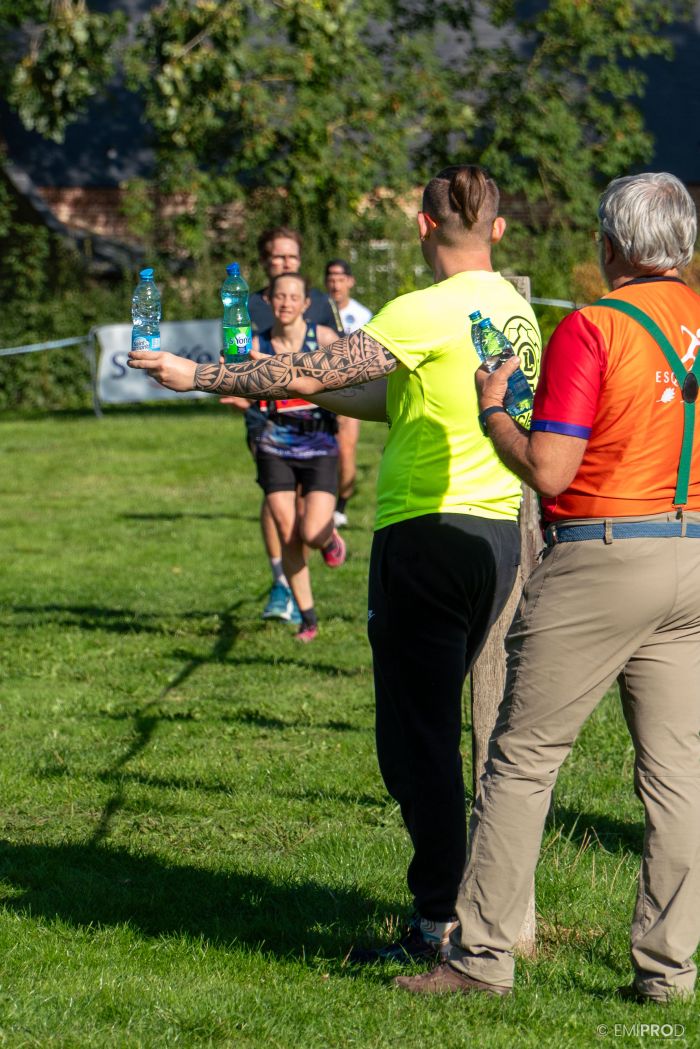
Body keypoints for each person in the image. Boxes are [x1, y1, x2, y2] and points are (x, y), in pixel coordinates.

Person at [128, 164, 542, 963]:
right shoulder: (514, 310)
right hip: (493, 537)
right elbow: (390, 395)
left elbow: (312, 367)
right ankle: (465, 907)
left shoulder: (422, 307)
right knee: (435, 732)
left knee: (416, 743)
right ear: (497, 228)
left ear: (423, 227)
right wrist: (307, 391)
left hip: (425, 535)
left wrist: (200, 375)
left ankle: (440, 922)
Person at [395, 171, 700, 1002]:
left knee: (523, 760)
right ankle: (668, 971)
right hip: (690, 553)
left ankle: (480, 957)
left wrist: (495, 409)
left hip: (604, 552)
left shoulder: (593, 326)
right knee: (677, 776)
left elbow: (550, 467)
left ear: (612, 244)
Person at [229, 227, 342, 625]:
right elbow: (233, 361)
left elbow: (343, 367)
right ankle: (283, 583)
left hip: (316, 427)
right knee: (279, 507)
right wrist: (237, 390)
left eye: (291, 257)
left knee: (307, 519)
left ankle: (320, 538)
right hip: (266, 421)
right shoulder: (247, 305)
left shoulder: (321, 305)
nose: (284, 263)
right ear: (265, 261)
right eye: (277, 257)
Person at [253, 272, 346, 642]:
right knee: (288, 531)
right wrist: (238, 397)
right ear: (268, 299)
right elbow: (238, 385)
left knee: (311, 531)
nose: (286, 303)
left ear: (307, 303)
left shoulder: (324, 340)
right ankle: (308, 618)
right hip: (273, 445)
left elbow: (350, 384)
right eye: (280, 296)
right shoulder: (256, 343)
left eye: (294, 297)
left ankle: (328, 539)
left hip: (320, 445)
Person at [324, 259, 374, 528]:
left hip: (350, 390)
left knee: (345, 450)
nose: (336, 284)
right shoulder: (316, 310)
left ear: (350, 282)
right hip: (319, 389)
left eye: (341, 279)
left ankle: (340, 506)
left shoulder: (362, 315)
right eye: (331, 278)